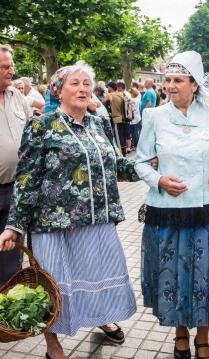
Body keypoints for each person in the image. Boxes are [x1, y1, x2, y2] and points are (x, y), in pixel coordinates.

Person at [0, 61, 139, 359]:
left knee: (93, 275)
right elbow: (26, 179)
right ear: (58, 90)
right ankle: (52, 345)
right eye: (74, 83)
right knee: (52, 282)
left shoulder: (99, 123)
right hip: (54, 223)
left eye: (87, 83)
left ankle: (99, 317)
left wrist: (152, 168)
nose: (82, 88)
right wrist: (14, 225)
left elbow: (117, 166)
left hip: (98, 220)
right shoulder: (42, 125)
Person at [135, 50, 209, 359]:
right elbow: (141, 163)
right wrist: (159, 180)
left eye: (178, 80)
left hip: (205, 212)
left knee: (205, 277)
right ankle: (181, 335)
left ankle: (203, 338)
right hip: (166, 213)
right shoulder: (154, 116)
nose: (170, 85)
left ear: (194, 84)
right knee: (174, 275)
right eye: (167, 80)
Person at [0, 44, 29, 287]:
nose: (12, 71)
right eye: (5, 67)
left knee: (11, 255)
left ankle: (6, 321)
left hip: (18, 190)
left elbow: (31, 135)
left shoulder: (18, 96)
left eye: (12, 66)